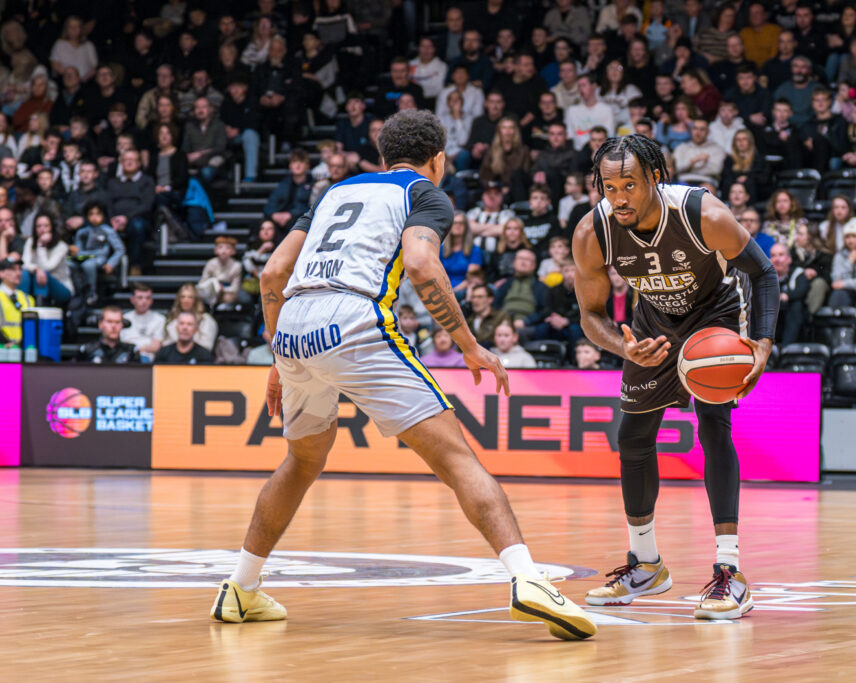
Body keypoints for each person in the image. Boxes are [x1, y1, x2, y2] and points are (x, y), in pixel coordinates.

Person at [211, 109, 595, 640]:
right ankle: (528, 580)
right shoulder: (425, 193)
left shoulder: (333, 191)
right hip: (352, 319)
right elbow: (419, 263)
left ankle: (239, 588)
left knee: (301, 461)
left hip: (294, 324)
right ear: (437, 159)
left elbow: (274, 272)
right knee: (457, 458)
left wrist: (280, 358)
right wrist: (470, 345)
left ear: (381, 153)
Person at [572, 134, 778, 617]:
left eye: (629, 185)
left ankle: (730, 571)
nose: (618, 197)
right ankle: (646, 566)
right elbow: (591, 316)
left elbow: (763, 273)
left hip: (715, 319)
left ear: (655, 179)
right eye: (608, 186)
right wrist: (623, 346)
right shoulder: (592, 232)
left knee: (713, 425)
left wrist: (763, 343)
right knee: (632, 435)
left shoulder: (701, 214)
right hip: (653, 327)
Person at [164, 283, 218, 351]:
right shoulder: (172, 319)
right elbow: (165, 344)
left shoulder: (206, 320)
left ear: (196, 300)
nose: (186, 300)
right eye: (183, 297)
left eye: (190, 297)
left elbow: (207, 346)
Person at [121, 283, 166, 362]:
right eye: (140, 298)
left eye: (147, 298)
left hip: (149, 361)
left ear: (151, 301)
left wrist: (136, 348)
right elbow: (122, 343)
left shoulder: (160, 319)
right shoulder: (124, 318)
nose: (144, 301)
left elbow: (156, 346)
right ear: (132, 300)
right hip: (126, 358)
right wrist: (145, 346)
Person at [0, 258, 32, 344]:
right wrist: (5, 342)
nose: (18, 273)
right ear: (1, 273)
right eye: (13, 269)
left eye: (20, 269)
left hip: (25, 348)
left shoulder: (28, 298)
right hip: (3, 348)